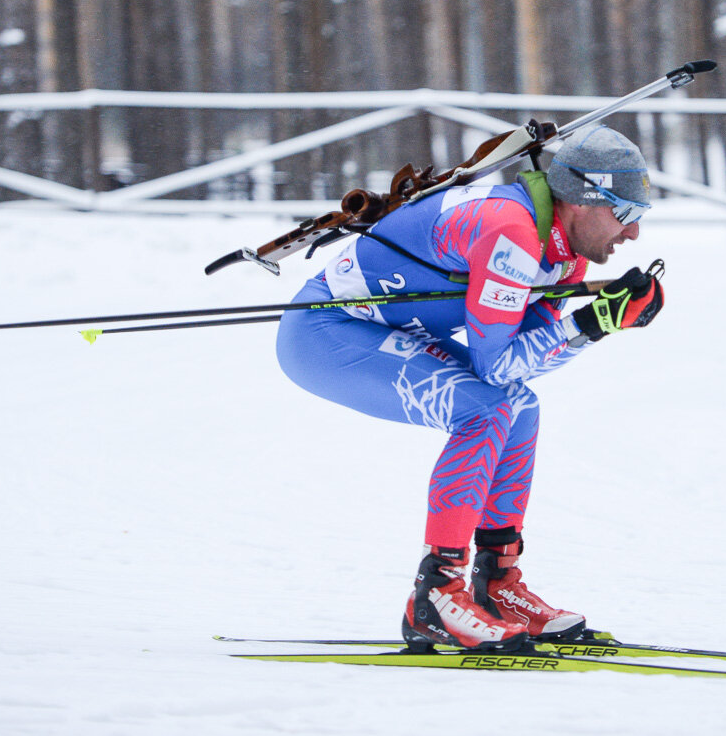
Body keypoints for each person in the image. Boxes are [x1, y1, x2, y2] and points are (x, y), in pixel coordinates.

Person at [276, 125, 664, 651]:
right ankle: (435, 596)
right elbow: (498, 363)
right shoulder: (512, 232)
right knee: (483, 410)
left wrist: (590, 320)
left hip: (384, 329)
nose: (634, 233)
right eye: (626, 214)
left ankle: (497, 583)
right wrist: (591, 325)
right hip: (327, 333)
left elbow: (517, 367)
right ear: (581, 201)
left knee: (518, 409)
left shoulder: (563, 250)